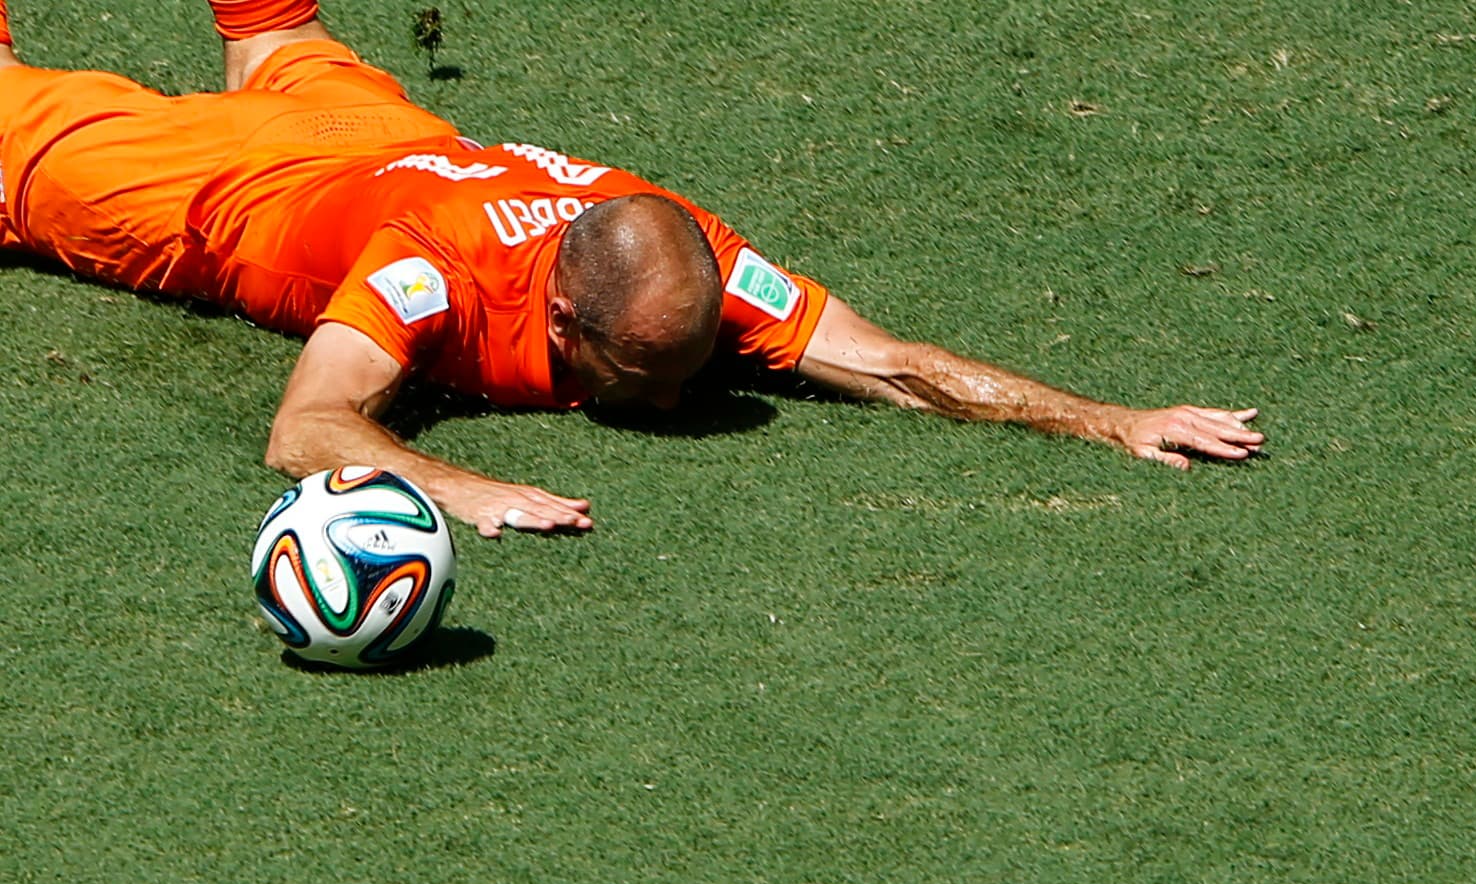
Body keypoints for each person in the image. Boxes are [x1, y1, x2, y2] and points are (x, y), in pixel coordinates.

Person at [0, 0, 1264, 535]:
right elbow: (305, 427)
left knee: (277, 30)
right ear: (559, 310)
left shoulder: (683, 249)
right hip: (217, 187)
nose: (675, 401)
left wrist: (1113, 421)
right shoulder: (430, 277)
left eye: (688, 371)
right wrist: (469, 489)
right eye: (643, 379)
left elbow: (892, 365)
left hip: (381, 136)